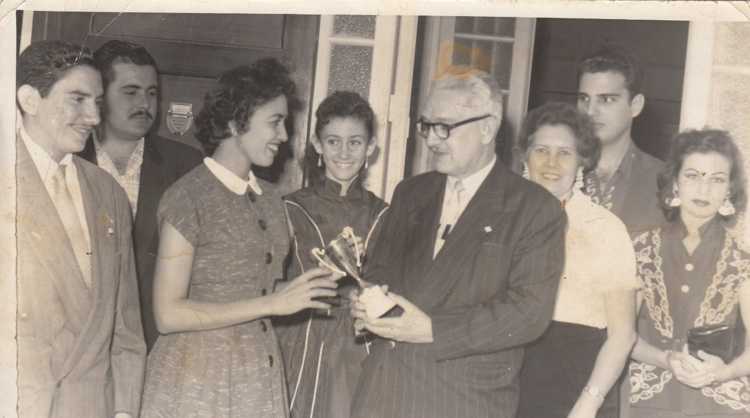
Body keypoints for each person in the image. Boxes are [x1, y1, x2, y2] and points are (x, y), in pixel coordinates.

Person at [348, 68, 567, 418]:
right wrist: (364, 303)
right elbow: (378, 271)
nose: (432, 140)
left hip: (463, 400)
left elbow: (528, 314)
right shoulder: (411, 193)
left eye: (444, 127)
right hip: (384, 392)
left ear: (487, 128)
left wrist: (433, 330)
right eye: (427, 126)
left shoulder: (535, 209)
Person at [139, 58, 340, 418]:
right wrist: (271, 304)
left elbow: (257, 288)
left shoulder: (271, 198)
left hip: (257, 377)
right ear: (235, 122)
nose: (283, 136)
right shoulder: (188, 197)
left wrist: (308, 288)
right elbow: (167, 314)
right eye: (275, 122)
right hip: (195, 384)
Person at [16, 40, 146, 418]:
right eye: (77, 99)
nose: (93, 117)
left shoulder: (108, 194)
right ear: (29, 99)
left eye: (98, 102)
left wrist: (122, 411)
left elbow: (126, 326)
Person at [78, 40, 203, 351]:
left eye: (151, 93)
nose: (145, 104)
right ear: (100, 96)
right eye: (131, 92)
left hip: (157, 345)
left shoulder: (188, 166)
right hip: (78, 345)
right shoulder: (70, 158)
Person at [515, 102, 639, 418]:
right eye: (541, 150)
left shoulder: (604, 228)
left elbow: (622, 335)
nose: (551, 162)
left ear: (581, 162)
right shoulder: (499, 220)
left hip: (579, 385)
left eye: (565, 153)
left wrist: (588, 403)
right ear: (524, 156)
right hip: (505, 382)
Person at [277, 91, 388, 418]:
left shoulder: (383, 214)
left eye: (355, 142)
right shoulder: (289, 207)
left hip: (358, 346)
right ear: (317, 144)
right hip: (300, 340)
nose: (343, 152)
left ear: (370, 148)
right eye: (333, 141)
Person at [629, 129, 750, 418]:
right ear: (674, 183)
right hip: (648, 400)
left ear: (729, 191)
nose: (703, 190)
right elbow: (620, 335)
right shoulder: (640, 249)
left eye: (717, 179)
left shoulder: (743, 260)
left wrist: (721, 373)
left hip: (721, 405)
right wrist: (664, 359)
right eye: (693, 176)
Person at [576, 44, 664, 234]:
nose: (590, 111)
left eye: (606, 99)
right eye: (584, 99)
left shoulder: (663, 181)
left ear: (635, 105)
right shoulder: (557, 168)